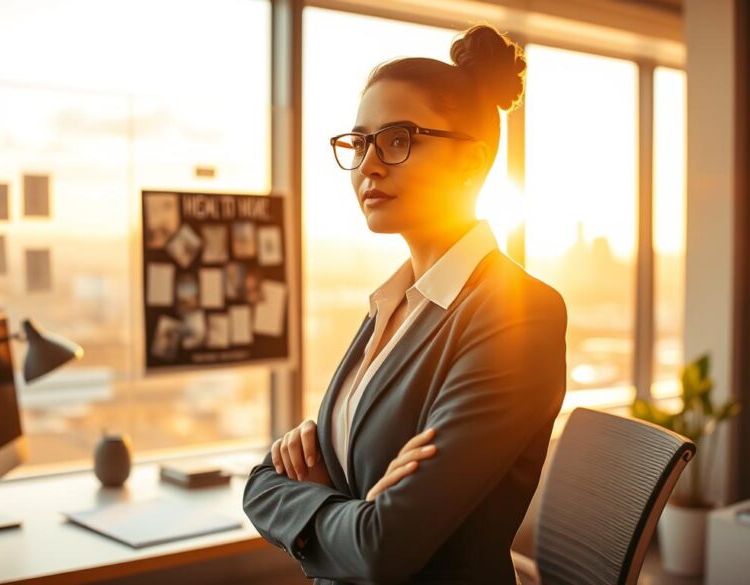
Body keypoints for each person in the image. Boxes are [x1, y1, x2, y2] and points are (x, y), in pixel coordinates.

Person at [243, 24, 567, 584]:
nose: (368, 164)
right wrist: (336, 497)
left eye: (397, 140)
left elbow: (382, 549)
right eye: (360, 142)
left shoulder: (518, 314)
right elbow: (260, 483)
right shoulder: (395, 303)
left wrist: (318, 496)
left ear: (471, 162)